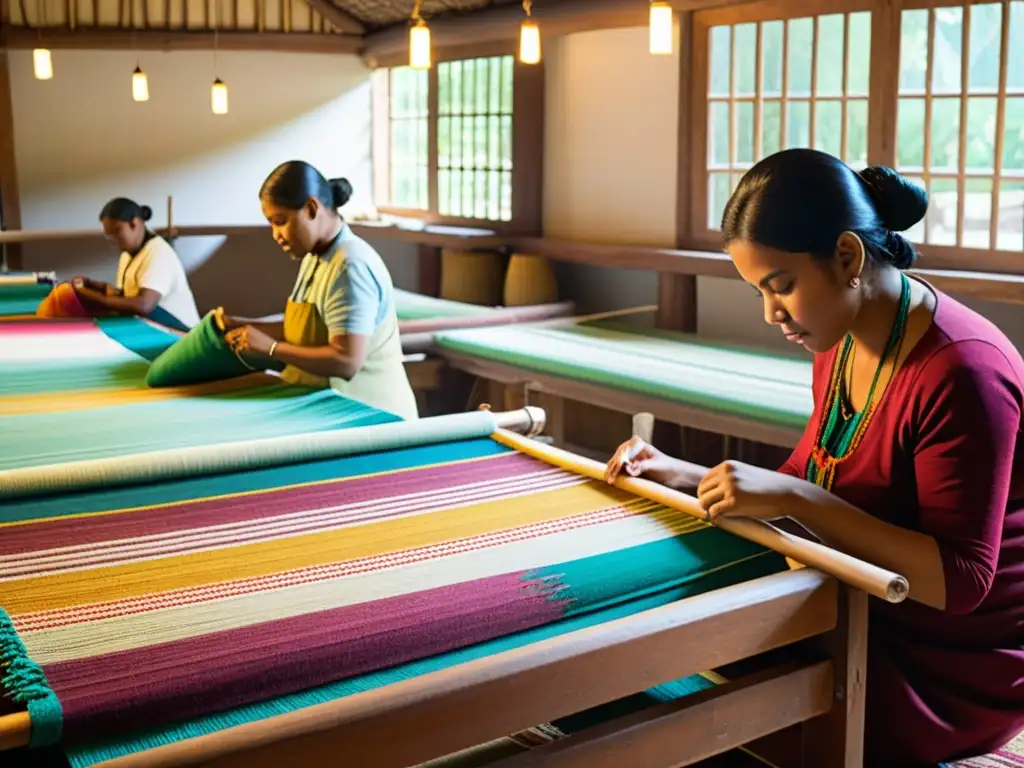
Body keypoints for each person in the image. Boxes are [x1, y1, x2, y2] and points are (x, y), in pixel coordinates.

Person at [605, 149, 1023, 767]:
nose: (771, 314)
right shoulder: (841, 339)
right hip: (863, 602)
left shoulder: (964, 371)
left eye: (781, 286)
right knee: (662, 616)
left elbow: (960, 581)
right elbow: (812, 478)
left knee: (712, 697)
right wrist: (684, 474)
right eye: (759, 291)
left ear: (849, 257)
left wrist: (795, 499)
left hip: (950, 666)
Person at [217, 160, 418, 421]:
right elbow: (307, 331)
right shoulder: (316, 256)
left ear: (312, 208)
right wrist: (241, 326)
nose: (275, 235)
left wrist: (271, 348)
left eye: (280, 221)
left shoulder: (350, 266)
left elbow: (346, 360)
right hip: (331, 409)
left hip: (370, 417)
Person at [72, 198, 201, 331]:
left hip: (180, 334)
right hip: (153, 328)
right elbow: (124, 296)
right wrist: (93, 285)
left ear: (134, 223)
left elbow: (143, 305)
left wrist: (97, 298)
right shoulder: (127, 255)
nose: (113, 241)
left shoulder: (158, 252)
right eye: (109, 236)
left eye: (117, 232)